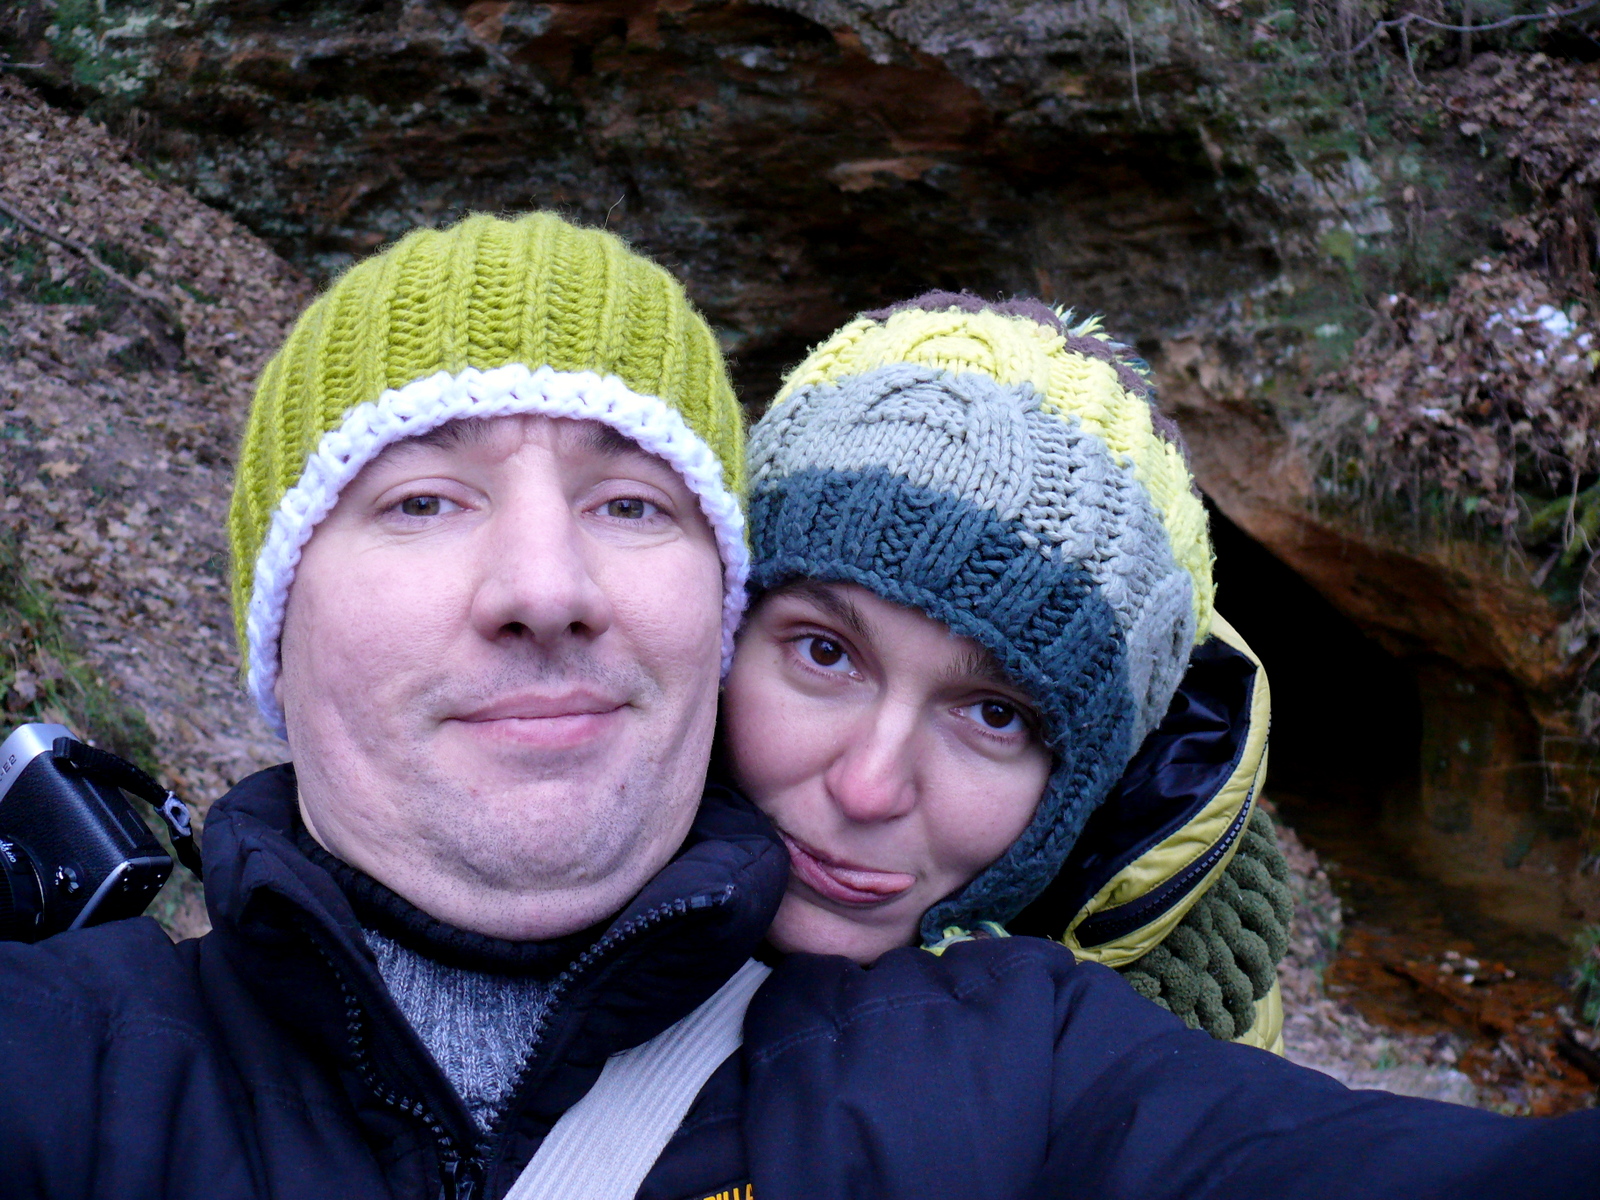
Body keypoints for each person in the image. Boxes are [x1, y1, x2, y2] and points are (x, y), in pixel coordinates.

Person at [1, 216, 1597, 1200]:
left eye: (633, 504)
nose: (544, 584)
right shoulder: (70, 1060)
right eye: (421, 499)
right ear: (273, 622)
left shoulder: (1011, 1072)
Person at [721, 291, 1290, 1049]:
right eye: (825, 652)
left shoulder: (1182, 1067)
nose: (867, 790)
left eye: (996, 714)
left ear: (1093, 787)